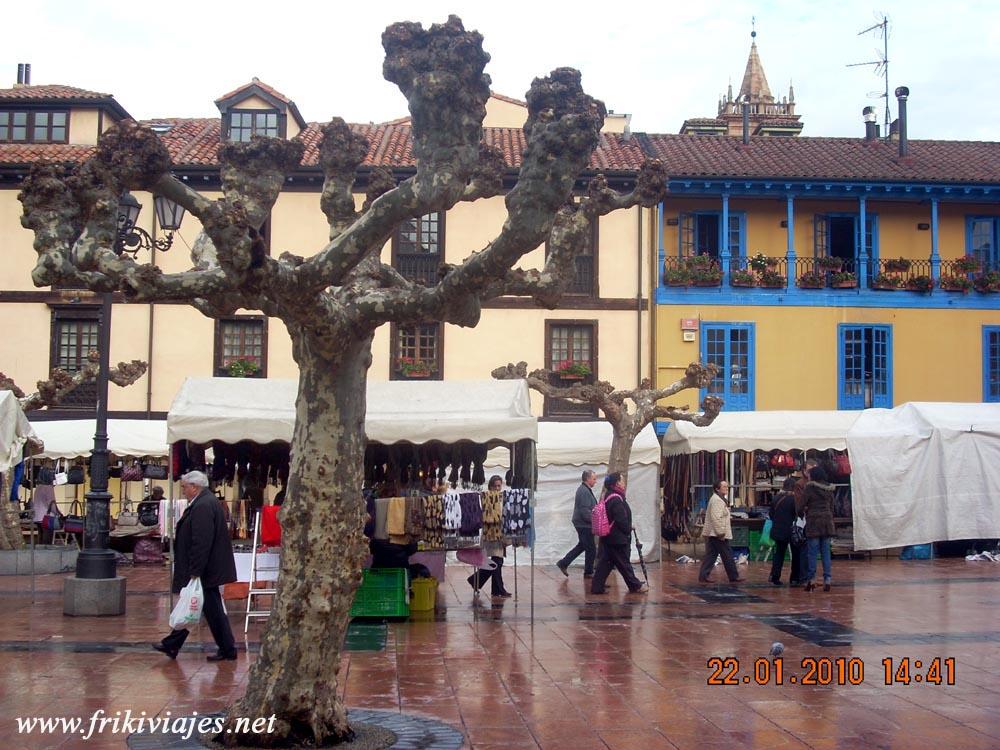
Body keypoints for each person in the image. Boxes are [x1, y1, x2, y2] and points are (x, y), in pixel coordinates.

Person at [153, 471, 238, 661]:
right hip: (207, 569)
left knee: (203, 608)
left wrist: (195, 571)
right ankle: (175, 644)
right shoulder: (204, 502)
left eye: (184, 487)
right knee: (200, 607)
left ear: (194, 487)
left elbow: (201, 541)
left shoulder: (202, 505)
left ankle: (226, 649)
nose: (183, 491)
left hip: (205, 570)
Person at [590, 473, 647, 595]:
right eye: (622, 480)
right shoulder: (616, 499)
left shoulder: (608, 495)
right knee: (624, 564)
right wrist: (628, 528)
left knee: (605, 563)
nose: (624, 482)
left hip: (609, 537)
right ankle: (635, 585)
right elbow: (620, 519)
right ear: (617, 483)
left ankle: (597, 587)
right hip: (616, 538)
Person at [467, 475, 511, 598]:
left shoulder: (501, 499)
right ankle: (498, 589)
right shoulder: (486, 498)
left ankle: (479, 582)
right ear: (490, 486)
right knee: (497, 561)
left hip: (499, 534)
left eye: (499, 485)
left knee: (497, 561)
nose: (497, 488)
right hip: (490, 533)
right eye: (495, 486)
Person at [697, 480, 745, 584]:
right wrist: (721, 533)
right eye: (724, 487)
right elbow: (716, 518)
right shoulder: (717, 500)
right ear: (717, 489)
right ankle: (733, 576)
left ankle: (703, 575)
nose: (726, 488)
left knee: (711, 555)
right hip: (717, 534)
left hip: (714, 533)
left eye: (727, 486)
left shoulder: (719, 499)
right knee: (727, 554)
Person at [798, 464, 836, 592]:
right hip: (827, 522)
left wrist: (800, 513)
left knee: (812, 552)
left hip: (813, 521)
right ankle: (827, 579)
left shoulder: (809, 488)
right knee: (826, 552)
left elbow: (801, 504)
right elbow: (832, 506)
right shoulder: (829, 489)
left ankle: (812, 579)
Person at [556, 470, 598, 578]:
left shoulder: (584, 490)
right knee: (591, 548)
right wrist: (594, 521)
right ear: (588, 479)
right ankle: (588, 572)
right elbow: (585, 510)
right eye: (594, 479)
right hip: (584, 524)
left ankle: (564, 563)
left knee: (583, 545)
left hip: (583, 523)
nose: (595, 481)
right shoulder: (584, 491)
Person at [768, 477, 803, 586]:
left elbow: (771, 514)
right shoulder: (794, 499)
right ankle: (795, 578)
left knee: (779, 553)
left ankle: (775, 576)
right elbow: (798, 514)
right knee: (796, 554)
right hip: (792, 531)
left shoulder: (776, 498)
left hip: (778, 530)